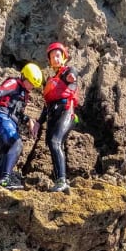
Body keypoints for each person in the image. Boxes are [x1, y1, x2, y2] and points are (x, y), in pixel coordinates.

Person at [0, 63, 43, 190]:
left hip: (10, 122)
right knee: (17, 143)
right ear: (24, 77)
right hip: (2, 118)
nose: (32, 87)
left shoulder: (24, 94)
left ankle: (0, 179)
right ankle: (6, 179)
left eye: (34, 85)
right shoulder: (14, 83)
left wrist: (29, 120)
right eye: (31, 83)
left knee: (8, 150)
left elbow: (18, 113)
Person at [40, 42, 80, 193]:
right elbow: (46, 105)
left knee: (55, 141)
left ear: (63, 57)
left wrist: (72, 77)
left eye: (58, 55)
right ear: (49, 61)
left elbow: (72, 75)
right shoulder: (51, 80)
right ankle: (59, 181)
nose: (55, 59)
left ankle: (62, 181)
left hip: (66, 111)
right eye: (52, 57)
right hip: (53, 114)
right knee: (53, 144)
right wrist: (38, 122)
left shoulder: (67, 71)